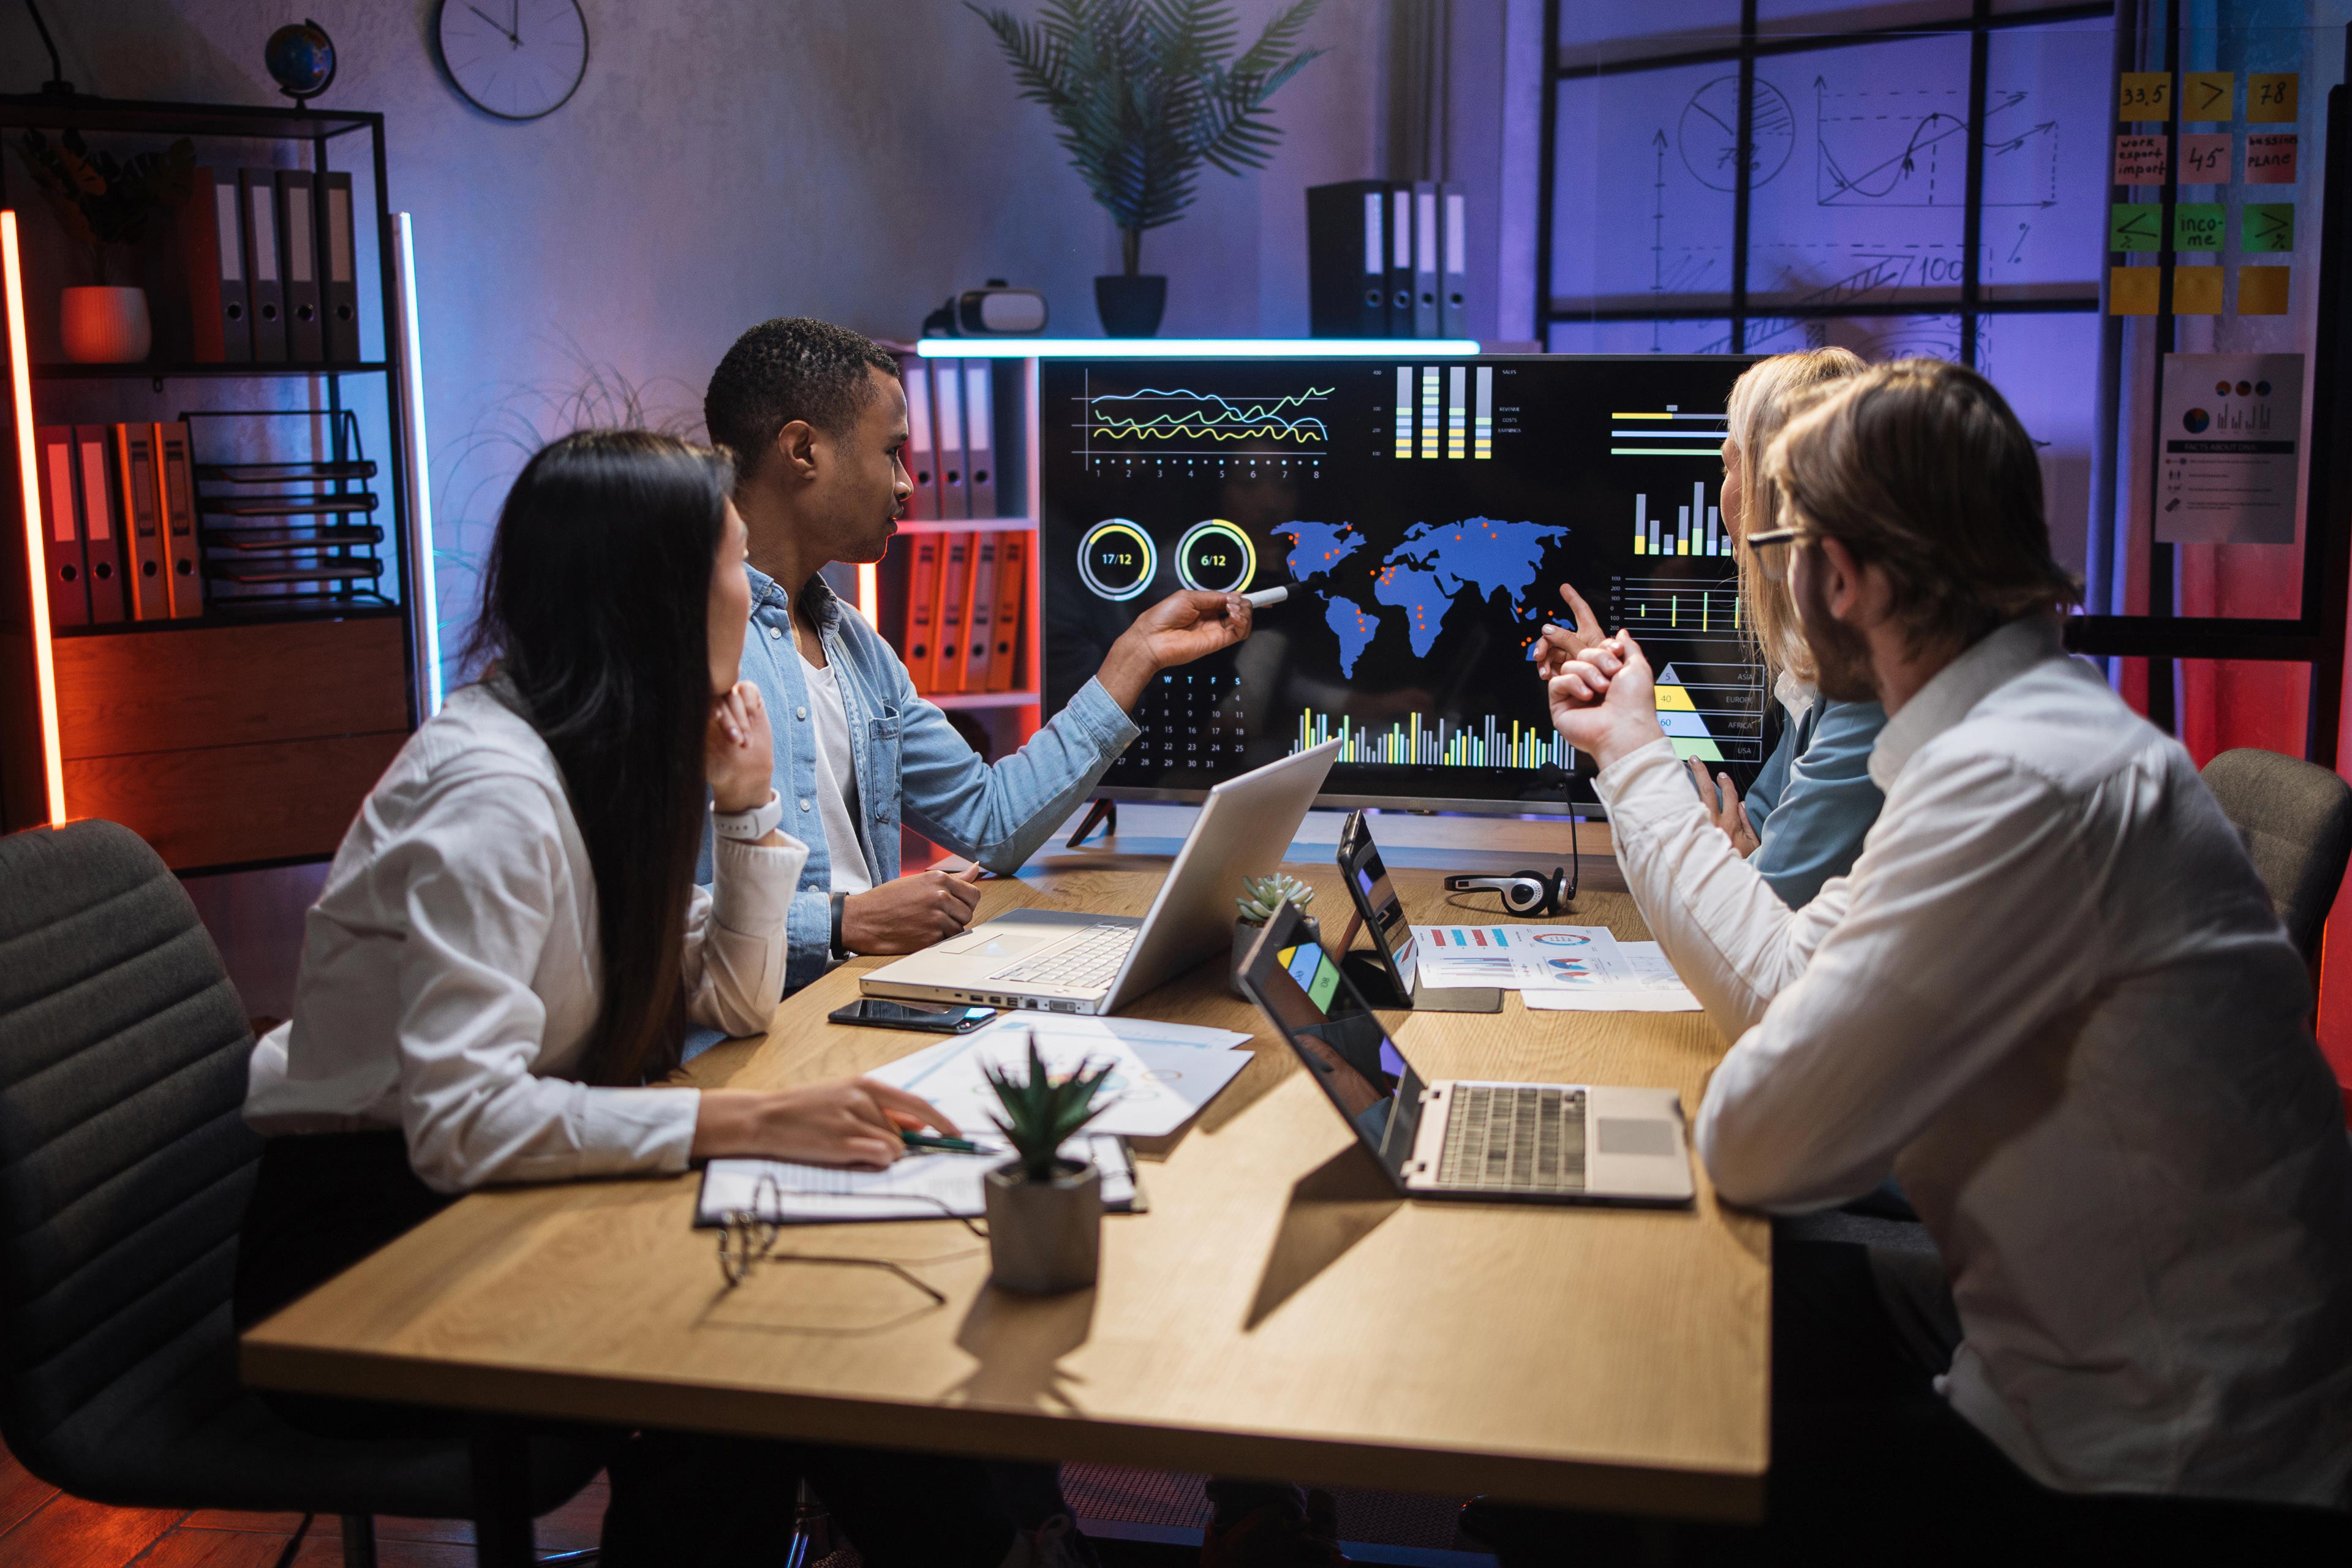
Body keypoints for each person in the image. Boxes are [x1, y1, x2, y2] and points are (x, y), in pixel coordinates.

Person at [1521, 360, 2352, 1558]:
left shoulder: (2017, 784)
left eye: (1778, 542)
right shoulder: (2024, 740)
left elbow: (1762, 1135)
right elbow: (1792, 976)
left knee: (1611, 1431)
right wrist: (1634, 750)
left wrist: (1639, 760)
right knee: (1629, 1314)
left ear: (1841, 576)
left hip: (2158, 1459)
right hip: (2079, 1349)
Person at [238, 430, 1081, 1568]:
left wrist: (744, 813)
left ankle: (994, 1544)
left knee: (804, 1328)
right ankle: (998, 1548)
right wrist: (749, 1120)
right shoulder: (489, 794)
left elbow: (732, 999)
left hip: (505, 1200)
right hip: (372, 1256)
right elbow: (461, 1125)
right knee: (769, 1350)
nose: (761, 599)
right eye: (738, 567)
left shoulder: (594, 752)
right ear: (660, 597)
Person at [702, 318, 1253, 986]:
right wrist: (845, 921)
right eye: (892, 453)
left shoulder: (856, 646)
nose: (907, 484)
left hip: (852, 1003)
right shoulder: (683, 647)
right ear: (801, 450)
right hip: (757, 1039)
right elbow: (648, 918)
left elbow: (991, 820)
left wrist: (1137, 653)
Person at [1534, 348, 1879, 908]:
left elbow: (1749, 910)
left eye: (1729, 463)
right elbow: (1738, 829)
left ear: (1772, 489)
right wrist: (1618, 707)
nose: (1724, 492)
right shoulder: (1825, 678)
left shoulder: (1867, 690)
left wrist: (1627, 738)